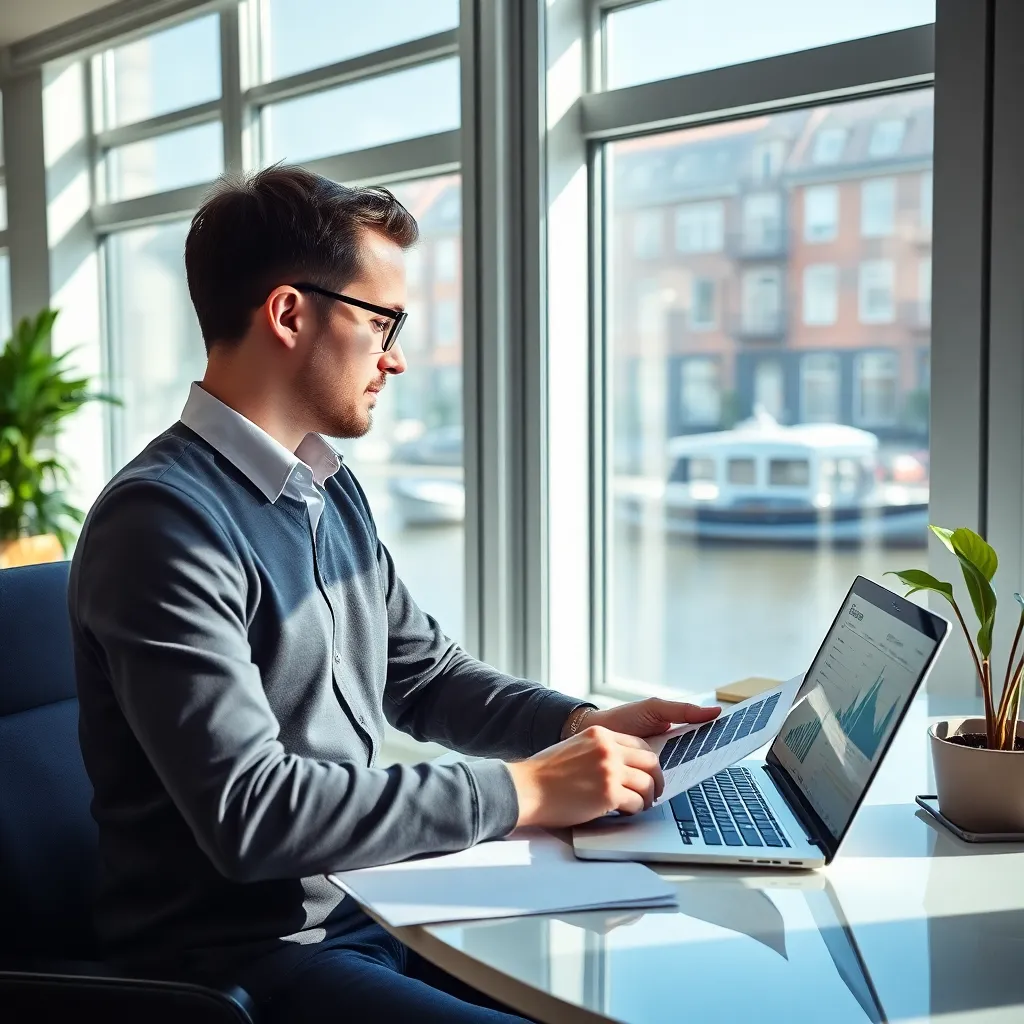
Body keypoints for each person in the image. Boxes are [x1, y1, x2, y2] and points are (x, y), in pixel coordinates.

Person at [68, 165, 719, 1024]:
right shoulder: (162, 523)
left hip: (367, 904)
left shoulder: (324, 487)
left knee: (661, 981)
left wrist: (575, 726)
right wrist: (526, 791)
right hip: (238, 961)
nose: (397, 356)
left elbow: (421, 674)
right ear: (290, 313)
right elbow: (254, 813)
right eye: (383, 321)